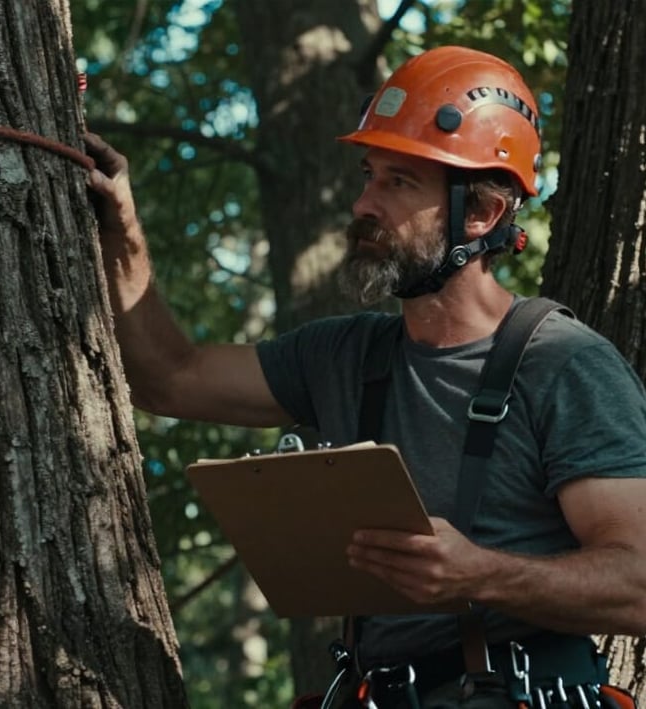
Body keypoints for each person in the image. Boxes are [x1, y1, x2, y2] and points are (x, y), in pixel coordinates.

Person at [84, 46, 646, 708]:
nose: (363, 203)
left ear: (483, 213)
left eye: (399, 183)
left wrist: (482, 573)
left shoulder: (561, 364)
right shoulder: (344, 355)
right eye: (368, 175)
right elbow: (169, 379)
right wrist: (118, 225)